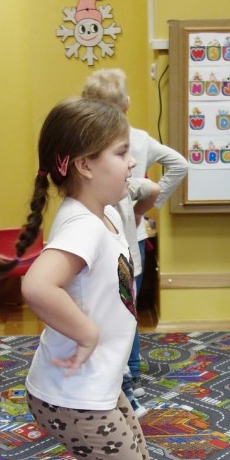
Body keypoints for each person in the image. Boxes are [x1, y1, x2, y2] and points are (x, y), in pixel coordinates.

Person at [0, 99, 150, 460]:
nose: (132, 162)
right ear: (85, 165)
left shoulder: (101, 213)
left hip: (96, 384)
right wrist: (88, 333)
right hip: (74, 394)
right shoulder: (83, 225)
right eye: (121, 152)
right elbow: (37, 286)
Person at [81, 68, 188, 409]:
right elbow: (179, 165)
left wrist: (143, 206)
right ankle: (134, 376)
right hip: (131, 236)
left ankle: (124, 376)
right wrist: (145, 207)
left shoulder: (92, 144)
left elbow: (177, 166)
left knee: (112, 310)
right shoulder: (139, 138)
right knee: (128, 310)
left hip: (112, 237)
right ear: (126, 103)